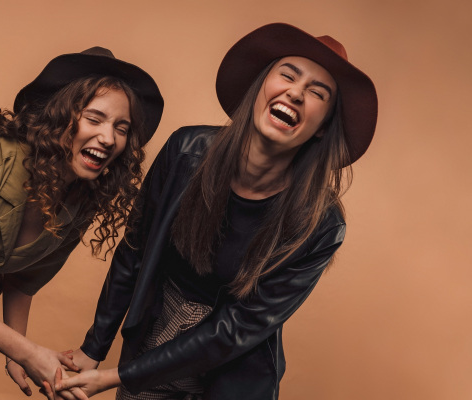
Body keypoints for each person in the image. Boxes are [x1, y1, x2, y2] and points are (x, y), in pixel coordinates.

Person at [55, 23, 378, 400]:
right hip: (153, 342)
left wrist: (117, 376)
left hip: (234, 375)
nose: (296, 92)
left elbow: (239, 326)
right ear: (259, 88)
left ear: (323, 127)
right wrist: (94, 348)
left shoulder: (321, 225)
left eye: (316, 93)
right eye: (288, 75)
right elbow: (135, 253)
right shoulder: (184, 152)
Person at [0, 46, 163, 400]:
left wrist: (14, 353)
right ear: (59, 117)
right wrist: (25, 352)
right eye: (94, 119)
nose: (108, 138)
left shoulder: (82, 199)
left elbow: (22, 279)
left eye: (121, 128)